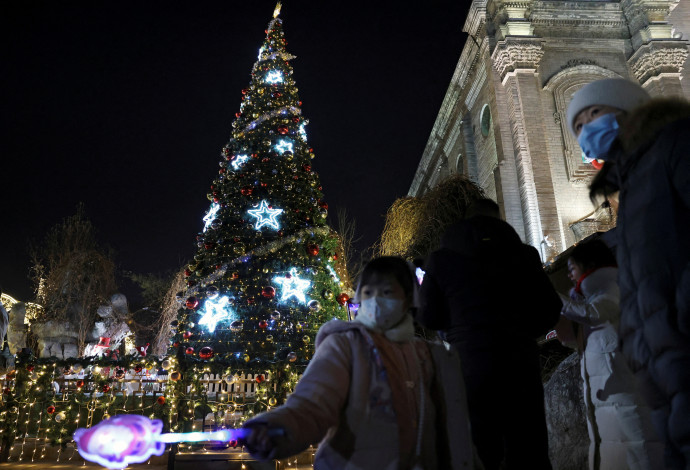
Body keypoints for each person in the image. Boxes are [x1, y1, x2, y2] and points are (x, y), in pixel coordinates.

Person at [243, 256, 480, 469]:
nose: (375, 300)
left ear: (408, 299)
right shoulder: (345, 346)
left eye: (387, 292)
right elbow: (312, 405)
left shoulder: (431, 356)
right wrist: (275, 428)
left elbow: (456, 432)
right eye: (367, 292)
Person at [566, 78, 690, 469]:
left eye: (595, 114)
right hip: (661, 356)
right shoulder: (632, 183)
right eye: (579, 125)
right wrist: (638, 344)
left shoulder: (676, 144)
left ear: (628, 110)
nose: (588, 130)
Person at [416, 198, 561, 470]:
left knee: (480, 451)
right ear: (499, 218)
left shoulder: (441, 260)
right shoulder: (525, 255)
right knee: (528, 449)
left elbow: (428, 315)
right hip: (520, 362)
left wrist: (457, 332)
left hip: (468, 364)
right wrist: (524, 333)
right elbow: (550, 308)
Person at [559, 239, 663, 469]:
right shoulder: (595, 297)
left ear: (588, 265)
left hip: (625, 393)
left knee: (641, 451)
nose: (569, 276)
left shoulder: (612, 288)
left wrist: (558, 300)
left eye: (572, 269)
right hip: (611, 395)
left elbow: (595, 313)